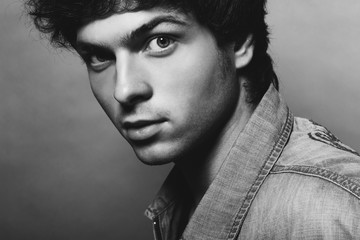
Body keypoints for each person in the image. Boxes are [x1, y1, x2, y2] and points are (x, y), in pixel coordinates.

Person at [25, 0, 360, 239]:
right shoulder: (184, 201)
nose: (124, 89)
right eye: (100, 56)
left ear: (239, 41)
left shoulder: (325, 212)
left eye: (160, 41)